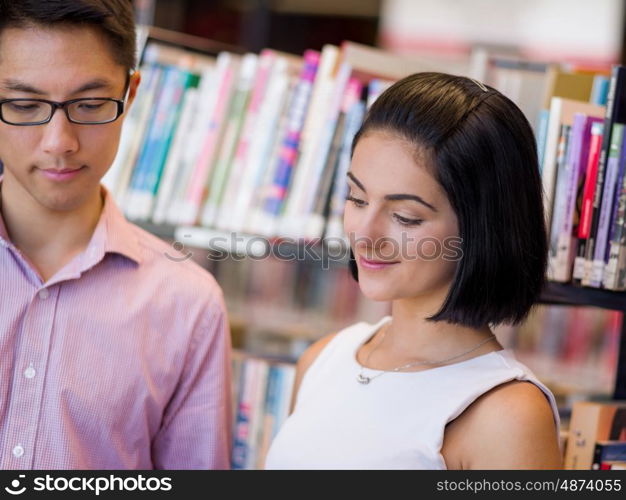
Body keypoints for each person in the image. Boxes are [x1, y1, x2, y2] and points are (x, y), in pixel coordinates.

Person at [265, 72, 563, 469]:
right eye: (356, 198)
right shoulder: (323, 360)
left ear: (481, 228)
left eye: (405, 217)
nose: (365, 233)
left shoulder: (506, 413)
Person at [0, 0, 231, 469]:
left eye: (89, 104)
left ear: (131, 95)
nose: (59, 141)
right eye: (24, 105)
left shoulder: (187, 304)